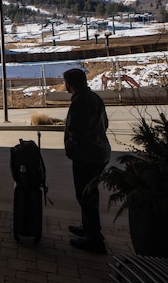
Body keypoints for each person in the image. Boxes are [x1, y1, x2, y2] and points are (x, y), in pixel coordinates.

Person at [63, 68, 111, 254]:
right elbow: (105, 124)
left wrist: (73, 148)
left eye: (66, 82)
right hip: (99, 152)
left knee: (86, 195)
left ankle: (94, 239)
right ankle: (89, 228)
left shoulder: (80, 101)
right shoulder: (93, 97)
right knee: (89, 194)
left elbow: (76, 130)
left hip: (87, 156)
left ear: (71, 83)